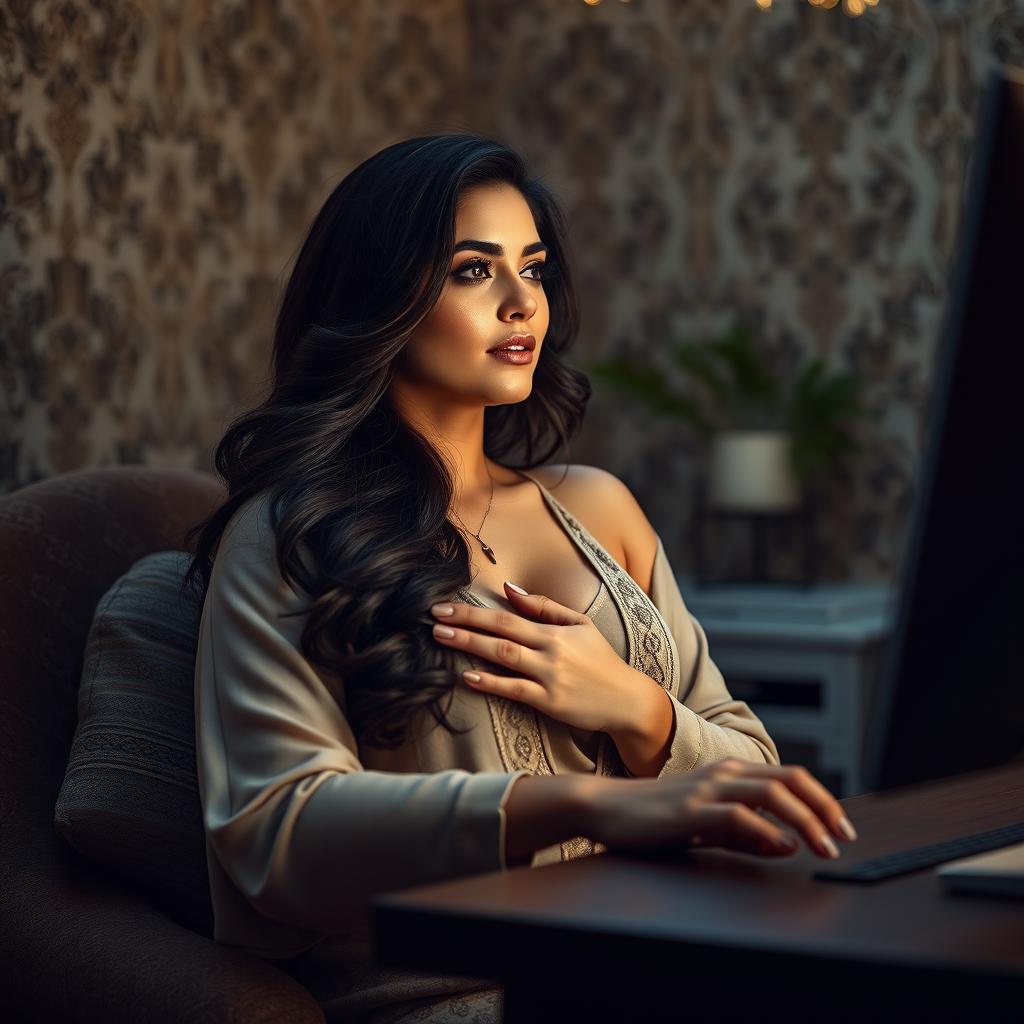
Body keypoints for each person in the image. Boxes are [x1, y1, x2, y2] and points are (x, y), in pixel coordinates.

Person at [183, 132, 859, 1024]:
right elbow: (275, 836)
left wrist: (637, 708)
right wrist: (580, 805)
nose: (520, 304)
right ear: (383, 298)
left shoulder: (601, 509)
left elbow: (753, 776)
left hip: (668, 953)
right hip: (462, 995)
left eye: (532, 268)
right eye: (473, 271)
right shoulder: (287, 534)